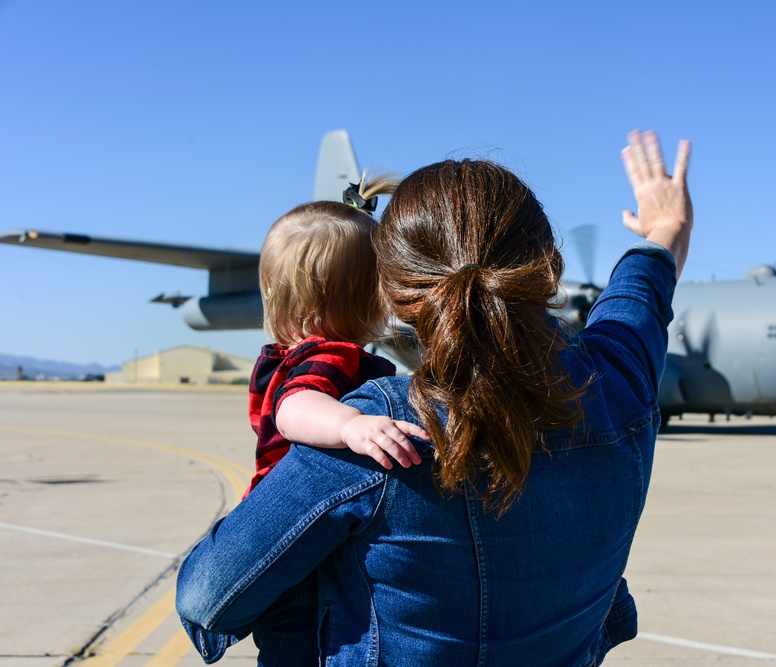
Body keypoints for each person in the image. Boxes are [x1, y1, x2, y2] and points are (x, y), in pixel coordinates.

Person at [176, 129, 693, 666]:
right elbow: (641, 295)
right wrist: (665, 229)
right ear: (550, 269)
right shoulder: (620, 380)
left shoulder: (375, 429)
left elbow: (206, 596)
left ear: (396, 291)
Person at [230, 181, 427, 666]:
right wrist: (351, 426)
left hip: (274, 527)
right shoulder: (331, 356)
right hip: (300, 540)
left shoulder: (284, 357)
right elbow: (294, 409)